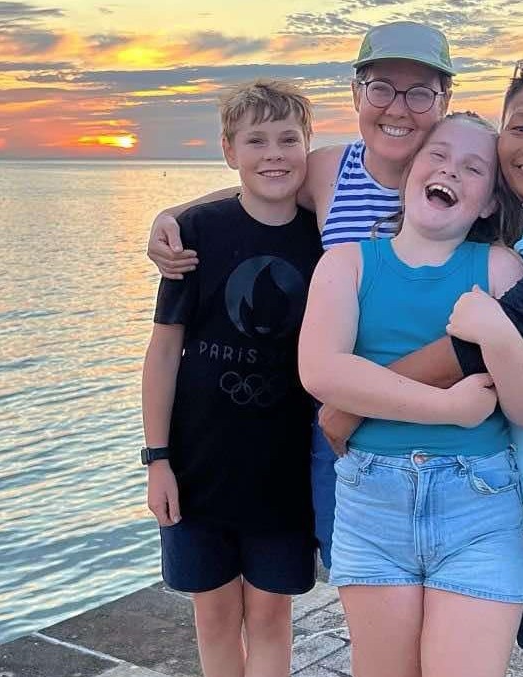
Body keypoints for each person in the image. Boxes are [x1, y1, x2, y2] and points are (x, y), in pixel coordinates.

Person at [144, 22, 523, 571]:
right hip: (353, 428)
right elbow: (262, 183)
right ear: (357, 94)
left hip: (459, 436)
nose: (398, 107)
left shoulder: (469, 168)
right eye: (382, 88)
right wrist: (173, 216)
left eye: (420, 93)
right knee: (359, 576)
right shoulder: (330, 170)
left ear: (444, 100)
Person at [299, 112, 523, 677]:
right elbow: (321, 371)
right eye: (437, 156)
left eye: (473, 168)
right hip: (372, 504)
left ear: (489, 202)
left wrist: (496, 332)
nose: (450, 171)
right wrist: (448, 408)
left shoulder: (500, 268)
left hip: (479, 505)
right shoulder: (346, 264)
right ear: (408, 171)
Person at [139, 79, 322, 677]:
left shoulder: (325, 236)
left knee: (270, 618)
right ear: (229, 151)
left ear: (307, 145)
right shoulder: (197, 233)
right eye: (256, 141)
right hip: (199, 467)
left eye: (288, 139)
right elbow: (164, 351)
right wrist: (157, 460)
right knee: (214, 617)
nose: (274, 154)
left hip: (286, 470)